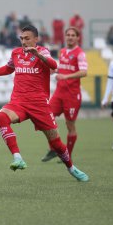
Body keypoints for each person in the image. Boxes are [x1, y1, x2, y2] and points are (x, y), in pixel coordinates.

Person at [0, 25, 88, 181]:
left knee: (56, 143)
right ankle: (17, 157)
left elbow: (54, 65)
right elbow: (8, 69)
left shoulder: (43, 52)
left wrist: (38, 55)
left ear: (36, 39)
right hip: (18, 102)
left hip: (39, 104)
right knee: (1, 118)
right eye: (22, 38)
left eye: (27, 38)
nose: (24, 41)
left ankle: (71, 168)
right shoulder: (16, 53)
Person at [40, 27, 90, 182]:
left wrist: (65, 76)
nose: (69, 37)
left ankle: (67, 154)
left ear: (77, 38)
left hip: (72, 96)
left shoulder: (80, 53)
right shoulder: (62, 51)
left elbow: (84, 72)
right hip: (59, 93)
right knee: (46, 119)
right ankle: (53, 148)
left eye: (72, 35)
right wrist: (54, 71)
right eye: (67, 35)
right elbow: (60, 68)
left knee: (70, 126)